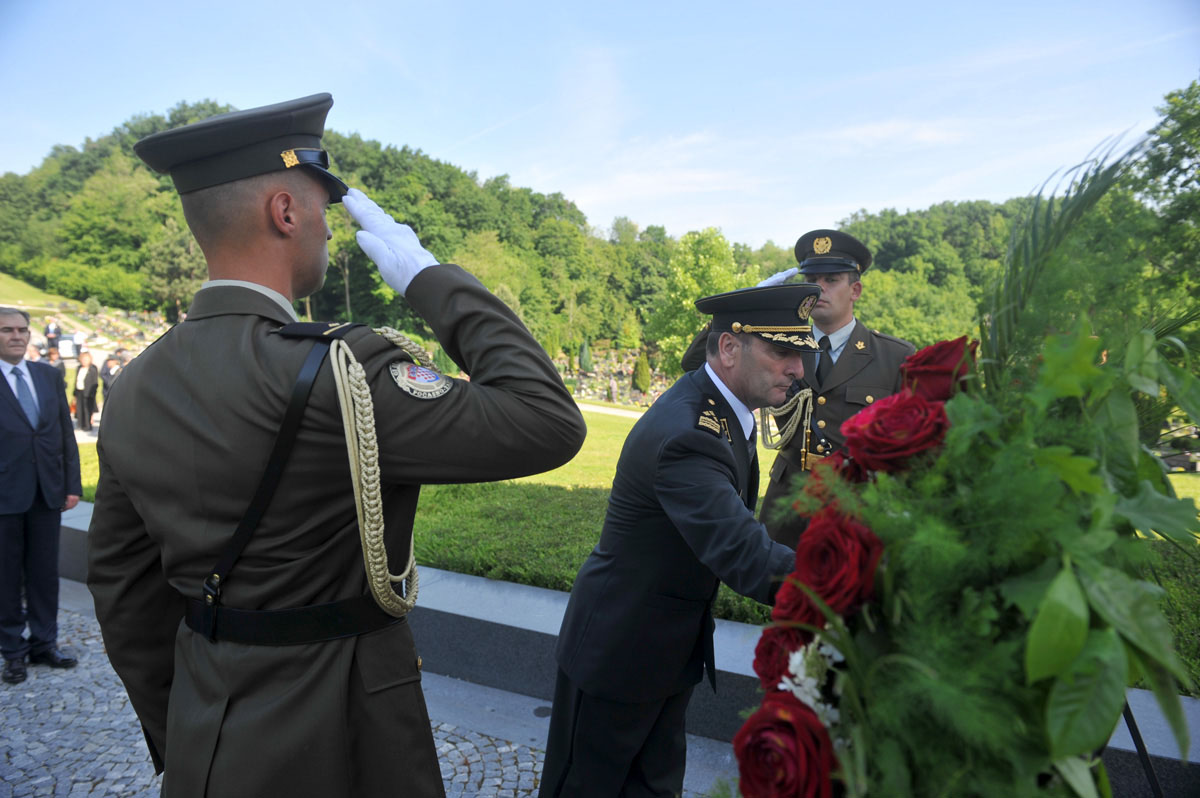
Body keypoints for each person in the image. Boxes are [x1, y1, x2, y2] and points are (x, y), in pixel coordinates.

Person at [86, 93, 586, 798]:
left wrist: (192, 730)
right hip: (348, 737)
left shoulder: (135, 382)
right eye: (322, 209)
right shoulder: (343, 368)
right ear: (285, 212)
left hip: (208, 738)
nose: (327, 230)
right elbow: (546, 420)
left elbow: (123, 590)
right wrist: (429, 277)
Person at [540, 283, 819, 798]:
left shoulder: (718, 406)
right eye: (782, 351)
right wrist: (851, 591)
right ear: (729, 348)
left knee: (652, 788)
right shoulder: (689, 433)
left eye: (799, 353)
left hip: (661, 650)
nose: (798, 368)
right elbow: (744, 553)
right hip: (619, 655)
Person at [681, 230, 914, 548]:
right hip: (787, 505)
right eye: (812, 279)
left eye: (831, 279)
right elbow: (696, 364)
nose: (819, 288)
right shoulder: (778, 344)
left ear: (855, 290)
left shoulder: (894, 356)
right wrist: (739, 311)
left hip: (856, 508)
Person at [0, 307, 81, 685]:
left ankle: (44, 643)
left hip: (47, 492)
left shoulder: (47, 375)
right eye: (7, 330)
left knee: (45, 574)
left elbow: (64, 433)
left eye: (22, 330)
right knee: (6, 577)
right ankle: (13, 651)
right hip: (4, 496)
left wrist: (71, 484)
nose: (17, 336)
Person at [72, 350, 98, 431]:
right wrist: (74, 393)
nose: (84, 361)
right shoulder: (79, 368)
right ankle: (80, 424)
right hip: (79, 390)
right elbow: (76, 380)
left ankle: (87, 425)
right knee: (79, 408)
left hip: (88, 392)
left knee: (87, 409)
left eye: (86, 360)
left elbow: (95, 382)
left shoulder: (92, 369)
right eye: (83, 360)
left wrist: (92, 393)